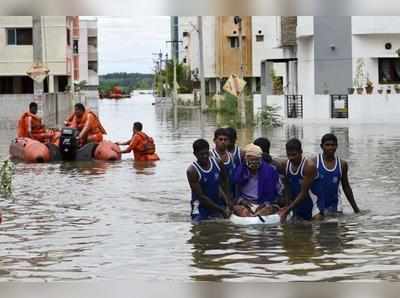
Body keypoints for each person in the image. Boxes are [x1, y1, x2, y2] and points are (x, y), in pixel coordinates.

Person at [187, 139, 232, 222]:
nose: (205, 156)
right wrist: (221, 210)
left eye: (206, 153)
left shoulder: (218, 162)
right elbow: (201, 197)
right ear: (195, 154)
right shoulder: (192, 171)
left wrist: (228, 201)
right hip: (201, 206)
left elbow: (225, 181)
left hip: (217, 202)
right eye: (201, 154)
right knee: (199, 226)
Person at [279, 138, 323, 222]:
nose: (291, 158)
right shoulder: (284, 165)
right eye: (288, 155)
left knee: (315, 228)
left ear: (301, 152)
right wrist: (287, 205)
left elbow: (303, 193)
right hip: (297, 205)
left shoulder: (309, 166)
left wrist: (287, 210)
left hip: (314, 207)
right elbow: (287, 187)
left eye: (294, 155)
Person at [315, 133, 360, 214]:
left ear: (336, 146)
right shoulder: (314, 163)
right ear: (321, 146)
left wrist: (356, 209)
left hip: (336, 206)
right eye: (327, 145)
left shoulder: (342, 164)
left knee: (336, 225)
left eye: (333, 145)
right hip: (318, 206)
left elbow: (346, 187)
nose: (330, 147)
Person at [232, 144, 280, 217]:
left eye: (256, 160)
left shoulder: (270, 171)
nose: (254, 162)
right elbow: (235, 191)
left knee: (266, 210)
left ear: (260, 159)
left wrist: (265, 203)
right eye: (251, 160)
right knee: (239, 210)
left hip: (265, 204)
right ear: (246, 159)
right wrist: (242, 201)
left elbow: (275, 194)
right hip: (246, 203)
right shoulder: (240, 171)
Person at [211, 128, 235, 197]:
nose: (223, 142)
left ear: (229, 141)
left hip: (229, 194)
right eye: (220, 139)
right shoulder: (210, 156)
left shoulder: (231, 156)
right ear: (214, 141)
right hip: (216, 196)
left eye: (225, 139)